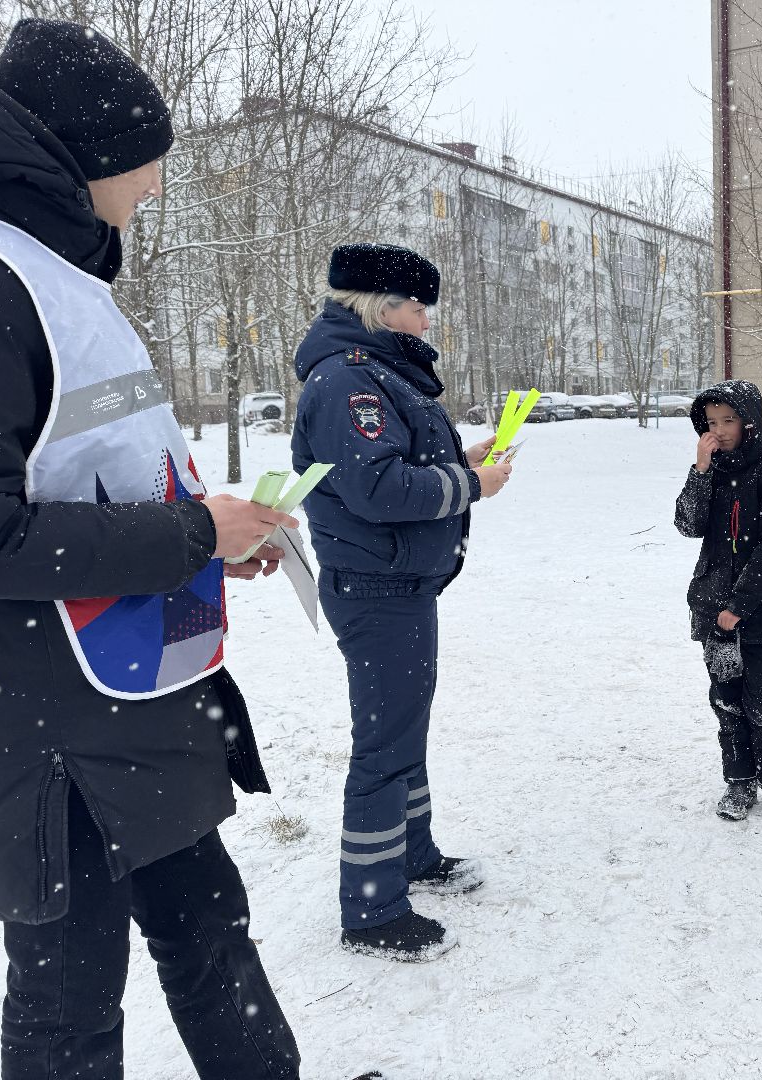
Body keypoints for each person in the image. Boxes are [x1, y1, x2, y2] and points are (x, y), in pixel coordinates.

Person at [0, 20, 301, 1079]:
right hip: (48, 736)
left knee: (212, 937)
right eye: (147, 158)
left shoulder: (59, 276)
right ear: (85, 154)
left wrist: (208, 545)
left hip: (140, 701)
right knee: (68, 1001)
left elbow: (91, 469)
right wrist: (193, 533)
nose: (156, 183)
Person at [291, 243, 513, 961]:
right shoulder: (347, 381)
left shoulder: (379, 372)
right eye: (419, 306)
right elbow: (378, 488)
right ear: (380, 308)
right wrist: (471, 486)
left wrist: (462, 462)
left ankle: (413, 854)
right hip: (376, 589)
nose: (426, 318)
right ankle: (372, 910)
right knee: (384, 747)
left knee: (404, 732)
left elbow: (398, 463)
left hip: (401, 585)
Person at [674, 380, 762, 832]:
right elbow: (687, 524)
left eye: (729, 420)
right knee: (727, 704)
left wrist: (740, 604)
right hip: (713, 615)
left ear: (749, 423)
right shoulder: (709, 473)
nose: (720, 430)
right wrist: (700, 471)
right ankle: (740, 781)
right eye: (712, 422)